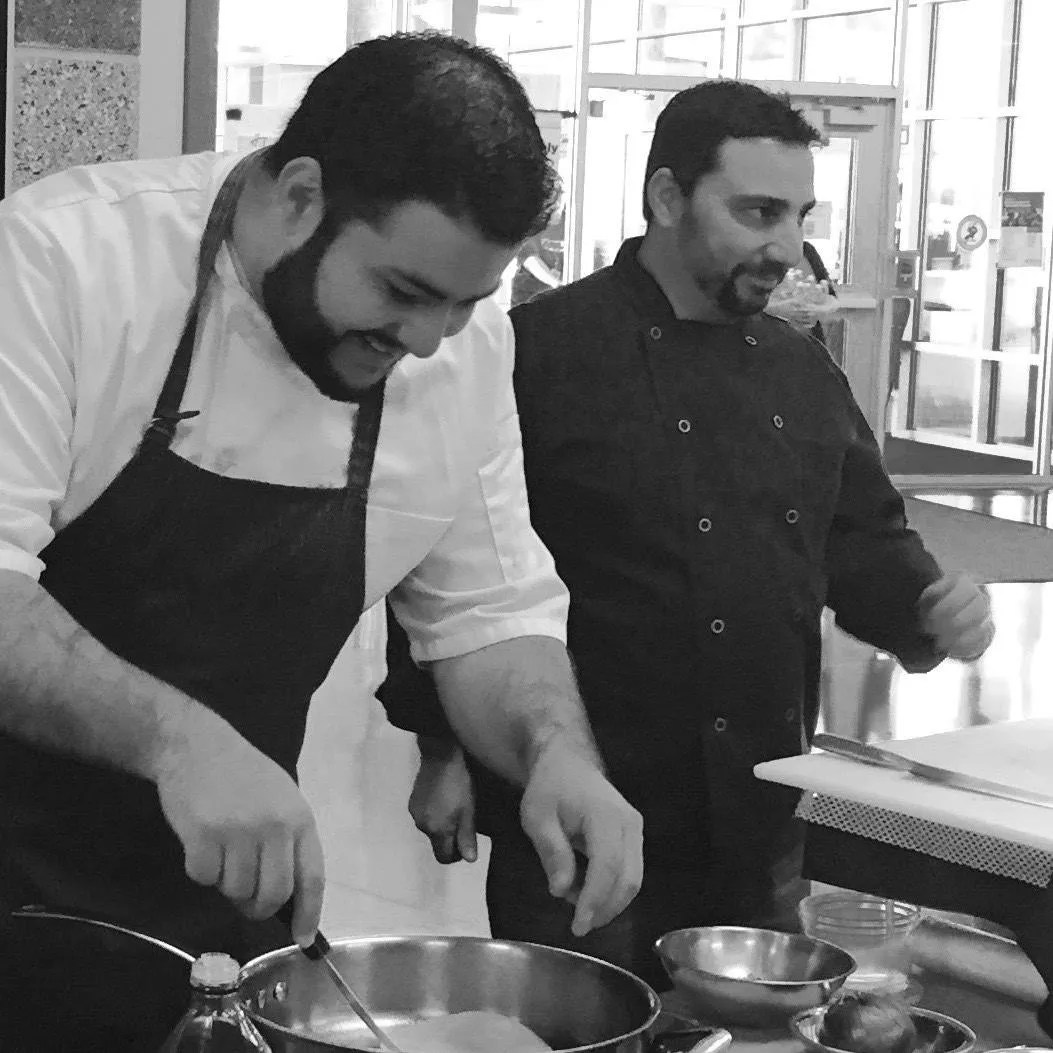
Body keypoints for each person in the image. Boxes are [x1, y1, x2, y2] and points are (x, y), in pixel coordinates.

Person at [0, 33, 643, 1047]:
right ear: (300, 194)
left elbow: (487, 612)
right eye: (402, 293)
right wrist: (182, 741)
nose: (427, 341)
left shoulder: (459, 345)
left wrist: (556, 755)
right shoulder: (64, 260)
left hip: (226, 907)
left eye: (466, 304)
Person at [377, 79, 994, 990]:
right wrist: (440, 751)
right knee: (580, 1028)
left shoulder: (800, 370)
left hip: (760, 809)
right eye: (756, 212)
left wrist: (927, 609)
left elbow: (861, 539)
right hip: (582, 808)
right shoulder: (534, 352)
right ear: (667, 197)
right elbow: (453, 568)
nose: (786, 246)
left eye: (798, 215)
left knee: (749, 1035)